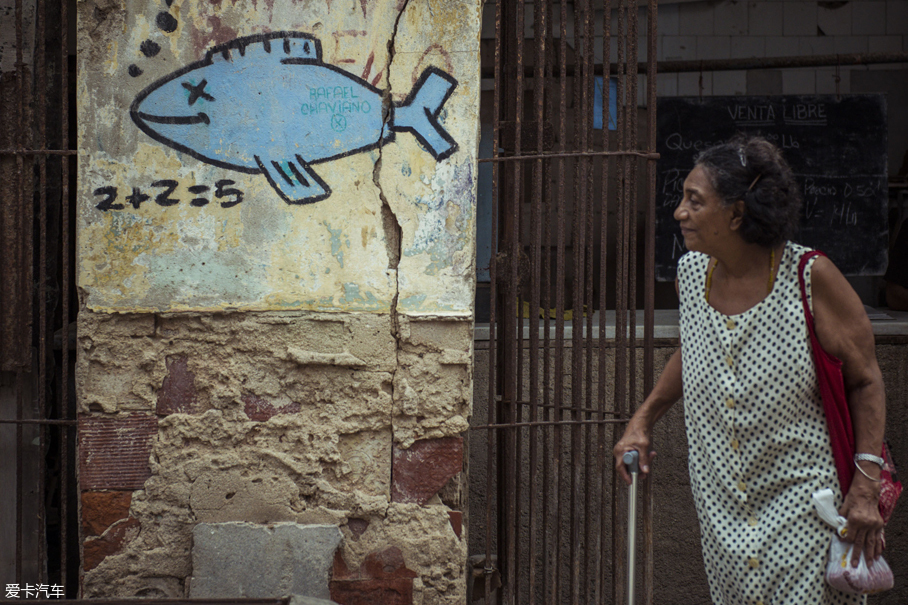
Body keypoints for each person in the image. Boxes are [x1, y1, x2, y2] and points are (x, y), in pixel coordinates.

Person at [614, 136, 886, 604]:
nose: (679, 212)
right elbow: (697, 348)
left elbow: (865, 379)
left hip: (804, 506)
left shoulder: (809, 276)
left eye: (694, 201)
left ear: (737, 214)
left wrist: (866, 486)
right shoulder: (693, 273)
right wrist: (643, 419)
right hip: (721, 504)